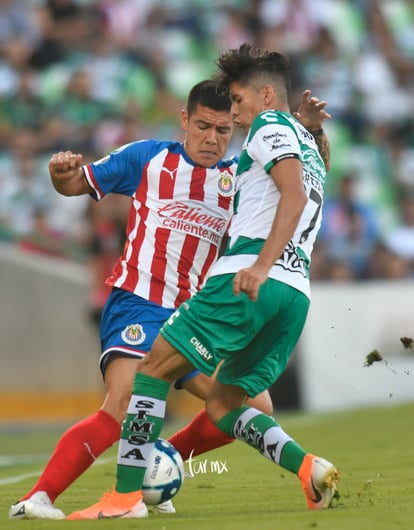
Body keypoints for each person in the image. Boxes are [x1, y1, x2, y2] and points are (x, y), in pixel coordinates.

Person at [9, 78, 328, 520]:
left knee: (254, 404)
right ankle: (40, 498)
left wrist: (309, 131)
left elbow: (296, 172)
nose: (211, 139)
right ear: (185, 119)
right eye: (202, 126)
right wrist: (60, 174)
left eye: (222, 130)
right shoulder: (147, 157)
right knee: (123, 400)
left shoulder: (239, 177)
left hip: (195, 313)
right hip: (139, 301)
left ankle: (159, 464)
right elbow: (75, 184)